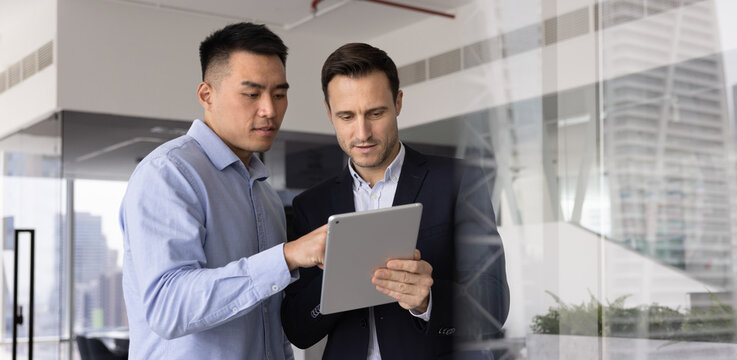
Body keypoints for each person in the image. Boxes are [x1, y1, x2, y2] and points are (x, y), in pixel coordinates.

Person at [281, 43, 509, 359]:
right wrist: (335, 283)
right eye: (346, 116)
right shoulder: (312, 205)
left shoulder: (459, 182)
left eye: (376, 113)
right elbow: (298, 330)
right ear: (329, 112)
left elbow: (494, 306)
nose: (362, 133)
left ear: (398, 102)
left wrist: (428, 301)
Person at [120, 22, 327, 360]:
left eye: (279, 93)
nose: (270, 110)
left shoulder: (265, 196)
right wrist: (286, 256)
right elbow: (169, 308)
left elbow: (268, 325)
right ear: (206, 95)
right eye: (251, 94)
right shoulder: (168, 174)